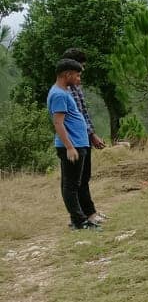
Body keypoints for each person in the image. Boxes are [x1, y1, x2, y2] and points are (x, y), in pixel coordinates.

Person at [48, 59, 100, 230]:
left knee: (75, 183)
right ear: (67, 74)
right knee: (71, 185)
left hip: (79, 143)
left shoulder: (65, 92)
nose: (79, 79)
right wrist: (69, 147)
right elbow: (58, 123)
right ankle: (79, 221)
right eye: (77, 75)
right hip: (73, 145)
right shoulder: (59, 94)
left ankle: (82, 218)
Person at [60, 49, 107, 222]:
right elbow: (70, 117)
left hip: (82, 137)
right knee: (73, 181)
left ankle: (89, 212)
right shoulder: (63, 90)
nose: (83, 72)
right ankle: (79, 217)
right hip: (74, 139)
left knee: (83, 177)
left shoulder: (76, 86)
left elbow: (84, 113)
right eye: (81, 67)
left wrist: (91, 134)